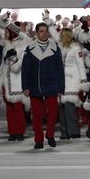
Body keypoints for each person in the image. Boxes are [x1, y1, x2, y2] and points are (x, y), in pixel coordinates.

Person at [21, 21, 65, 149]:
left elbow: (59, 70)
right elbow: (25, 70)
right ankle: (38, 140)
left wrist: (61, 87)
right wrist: (25, 87)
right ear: (36, 33)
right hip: (35, 86)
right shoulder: (29, 49)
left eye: (46, 31)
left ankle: (50, 135)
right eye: (41, 31)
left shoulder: (55, 48)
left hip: (52, 85)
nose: (44, 33)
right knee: (37, 116)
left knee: (52, 114)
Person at [0, 21, 31, 141]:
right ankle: (12, 132)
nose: (5, 33)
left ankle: (20, 132)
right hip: (5, 81)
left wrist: (12, 59)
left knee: (18, 109)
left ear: (12, 33)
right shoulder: (6, 45)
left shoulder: (21, 46)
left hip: (16, 81)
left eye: (7, 32)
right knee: (9, 109)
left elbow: (17, 66)